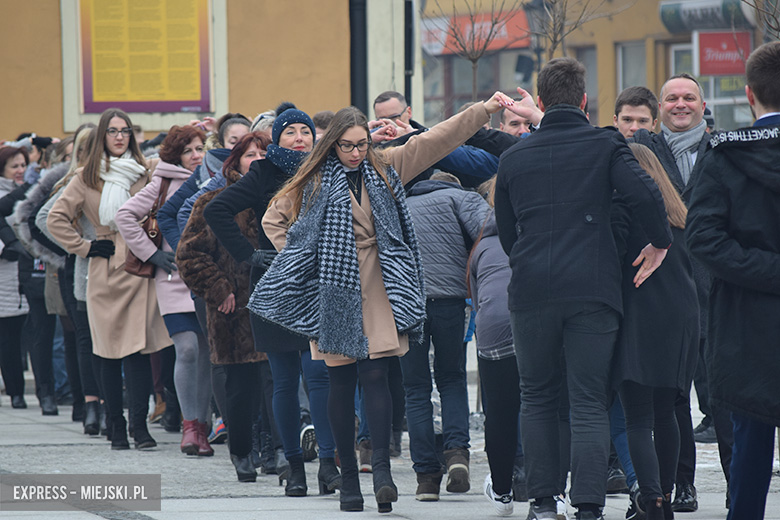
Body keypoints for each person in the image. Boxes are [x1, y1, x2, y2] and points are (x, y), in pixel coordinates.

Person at [254, 93, 510, 513]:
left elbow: (439, 140)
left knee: (376, 376)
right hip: (333, 288)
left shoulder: (386, 165)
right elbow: (273, 220)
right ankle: (349, 480)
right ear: (332, 144)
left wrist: (483, 110)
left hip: (379, 283)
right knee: (340, 382)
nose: (355, 153)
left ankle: (384, 475)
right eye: (347, 145)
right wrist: (307, 259)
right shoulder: (313, 178)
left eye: (361, 145)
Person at [494, 58, 672, 520]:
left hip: (532, 288)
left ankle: (542, 503)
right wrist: (660, 243)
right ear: (585, 101)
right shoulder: (605, 144)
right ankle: (589, 506)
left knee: (536, 396)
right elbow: (646, 194)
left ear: (541, 99)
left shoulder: (513, 156)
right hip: (593, 289)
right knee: (589, 398)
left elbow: (508, 232)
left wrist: (528, 260)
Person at [205, 104, 339, 498]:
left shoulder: (325, 168)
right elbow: (218, 210)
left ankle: (328, 465)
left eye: (304, 131)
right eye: (290, 132)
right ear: (277, 139)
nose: (299, 137)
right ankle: (294, 467)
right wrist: (250, 255)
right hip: (275, 284)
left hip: (317, 282)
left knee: (320, 377)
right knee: (283, 380)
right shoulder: (263, 172)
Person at [685, 41, 780, 520]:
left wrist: (764, 272)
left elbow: (701, 238)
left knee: (750, 450)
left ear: (748, 95)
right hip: (748, 322)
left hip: (745, 325)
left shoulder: (722, 155)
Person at [632, 72, 731, 513]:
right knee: (672, 399)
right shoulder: (641, 150)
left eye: (688, 97)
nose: (680, 104)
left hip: (717, 293)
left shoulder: (724, 148)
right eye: (671, 98)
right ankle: (681, 485)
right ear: (660, 107)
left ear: (701, 103)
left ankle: (736, 483)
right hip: (666, 292)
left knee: (722, 398)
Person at [47, 108, 171, 450]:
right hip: (103, 271)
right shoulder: (86, 177)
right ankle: (115, 425)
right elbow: (54, 218)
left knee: (138, 351)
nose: (120, 137)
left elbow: (174, 169)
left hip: (138, 265)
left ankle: (139, 428)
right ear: (102, 136)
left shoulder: (146, 170)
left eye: (126, 131)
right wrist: (84, 247)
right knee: (106, 352)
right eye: (113, 131)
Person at [177, 131, 274, 482]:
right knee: (240, 386)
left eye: (265, 154)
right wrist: (219, 290)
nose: (258, 161)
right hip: (233, 311)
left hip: (276, 305)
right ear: (235, 162)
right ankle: (242, 451)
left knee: (277, 382)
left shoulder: (281, 199)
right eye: (251, 155)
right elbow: (189, 253)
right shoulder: (213, 201)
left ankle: (276, 450)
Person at [611, 143, 699, 519]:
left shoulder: (622, 211)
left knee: (637, 418)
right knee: (667, 413)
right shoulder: (680, 216)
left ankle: (651, 501)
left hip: (638, 320)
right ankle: (665, 493)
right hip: (681, 322)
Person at [115, 125, 213, 457]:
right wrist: (152, 253)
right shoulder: (163, 181)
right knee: (186, 350)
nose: (196, 156)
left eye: (200, 148)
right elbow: (125, 215)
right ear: (175, 155)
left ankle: (204, 427)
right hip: (173, 280)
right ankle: (189, 426)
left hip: (208, 278)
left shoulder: (213, 176)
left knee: (207, 354)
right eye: (188, 150)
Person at [403, 171, 491, 500]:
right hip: (451, 302)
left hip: (409, 304)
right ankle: (456, 455)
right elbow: (487, 232)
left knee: (415, 388)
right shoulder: (460, 198)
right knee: (452, 378)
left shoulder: (404, 202)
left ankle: (426, 477)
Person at [467, 175, 521, 516]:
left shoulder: (482, 245)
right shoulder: (542, 234)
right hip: (538, 324)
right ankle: (547, 485)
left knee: (499, 415)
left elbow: (475, 296)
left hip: (494, 334)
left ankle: (502, 490)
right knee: (541, 407)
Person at [0, 146, 31, 410]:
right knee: (7, 338)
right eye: (14, 166)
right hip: (4, 273)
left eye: (23, 165)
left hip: (27, 273)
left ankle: (18, 390)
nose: (20, 170)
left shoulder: (31, 192)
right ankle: (15, 392)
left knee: (22, 335)